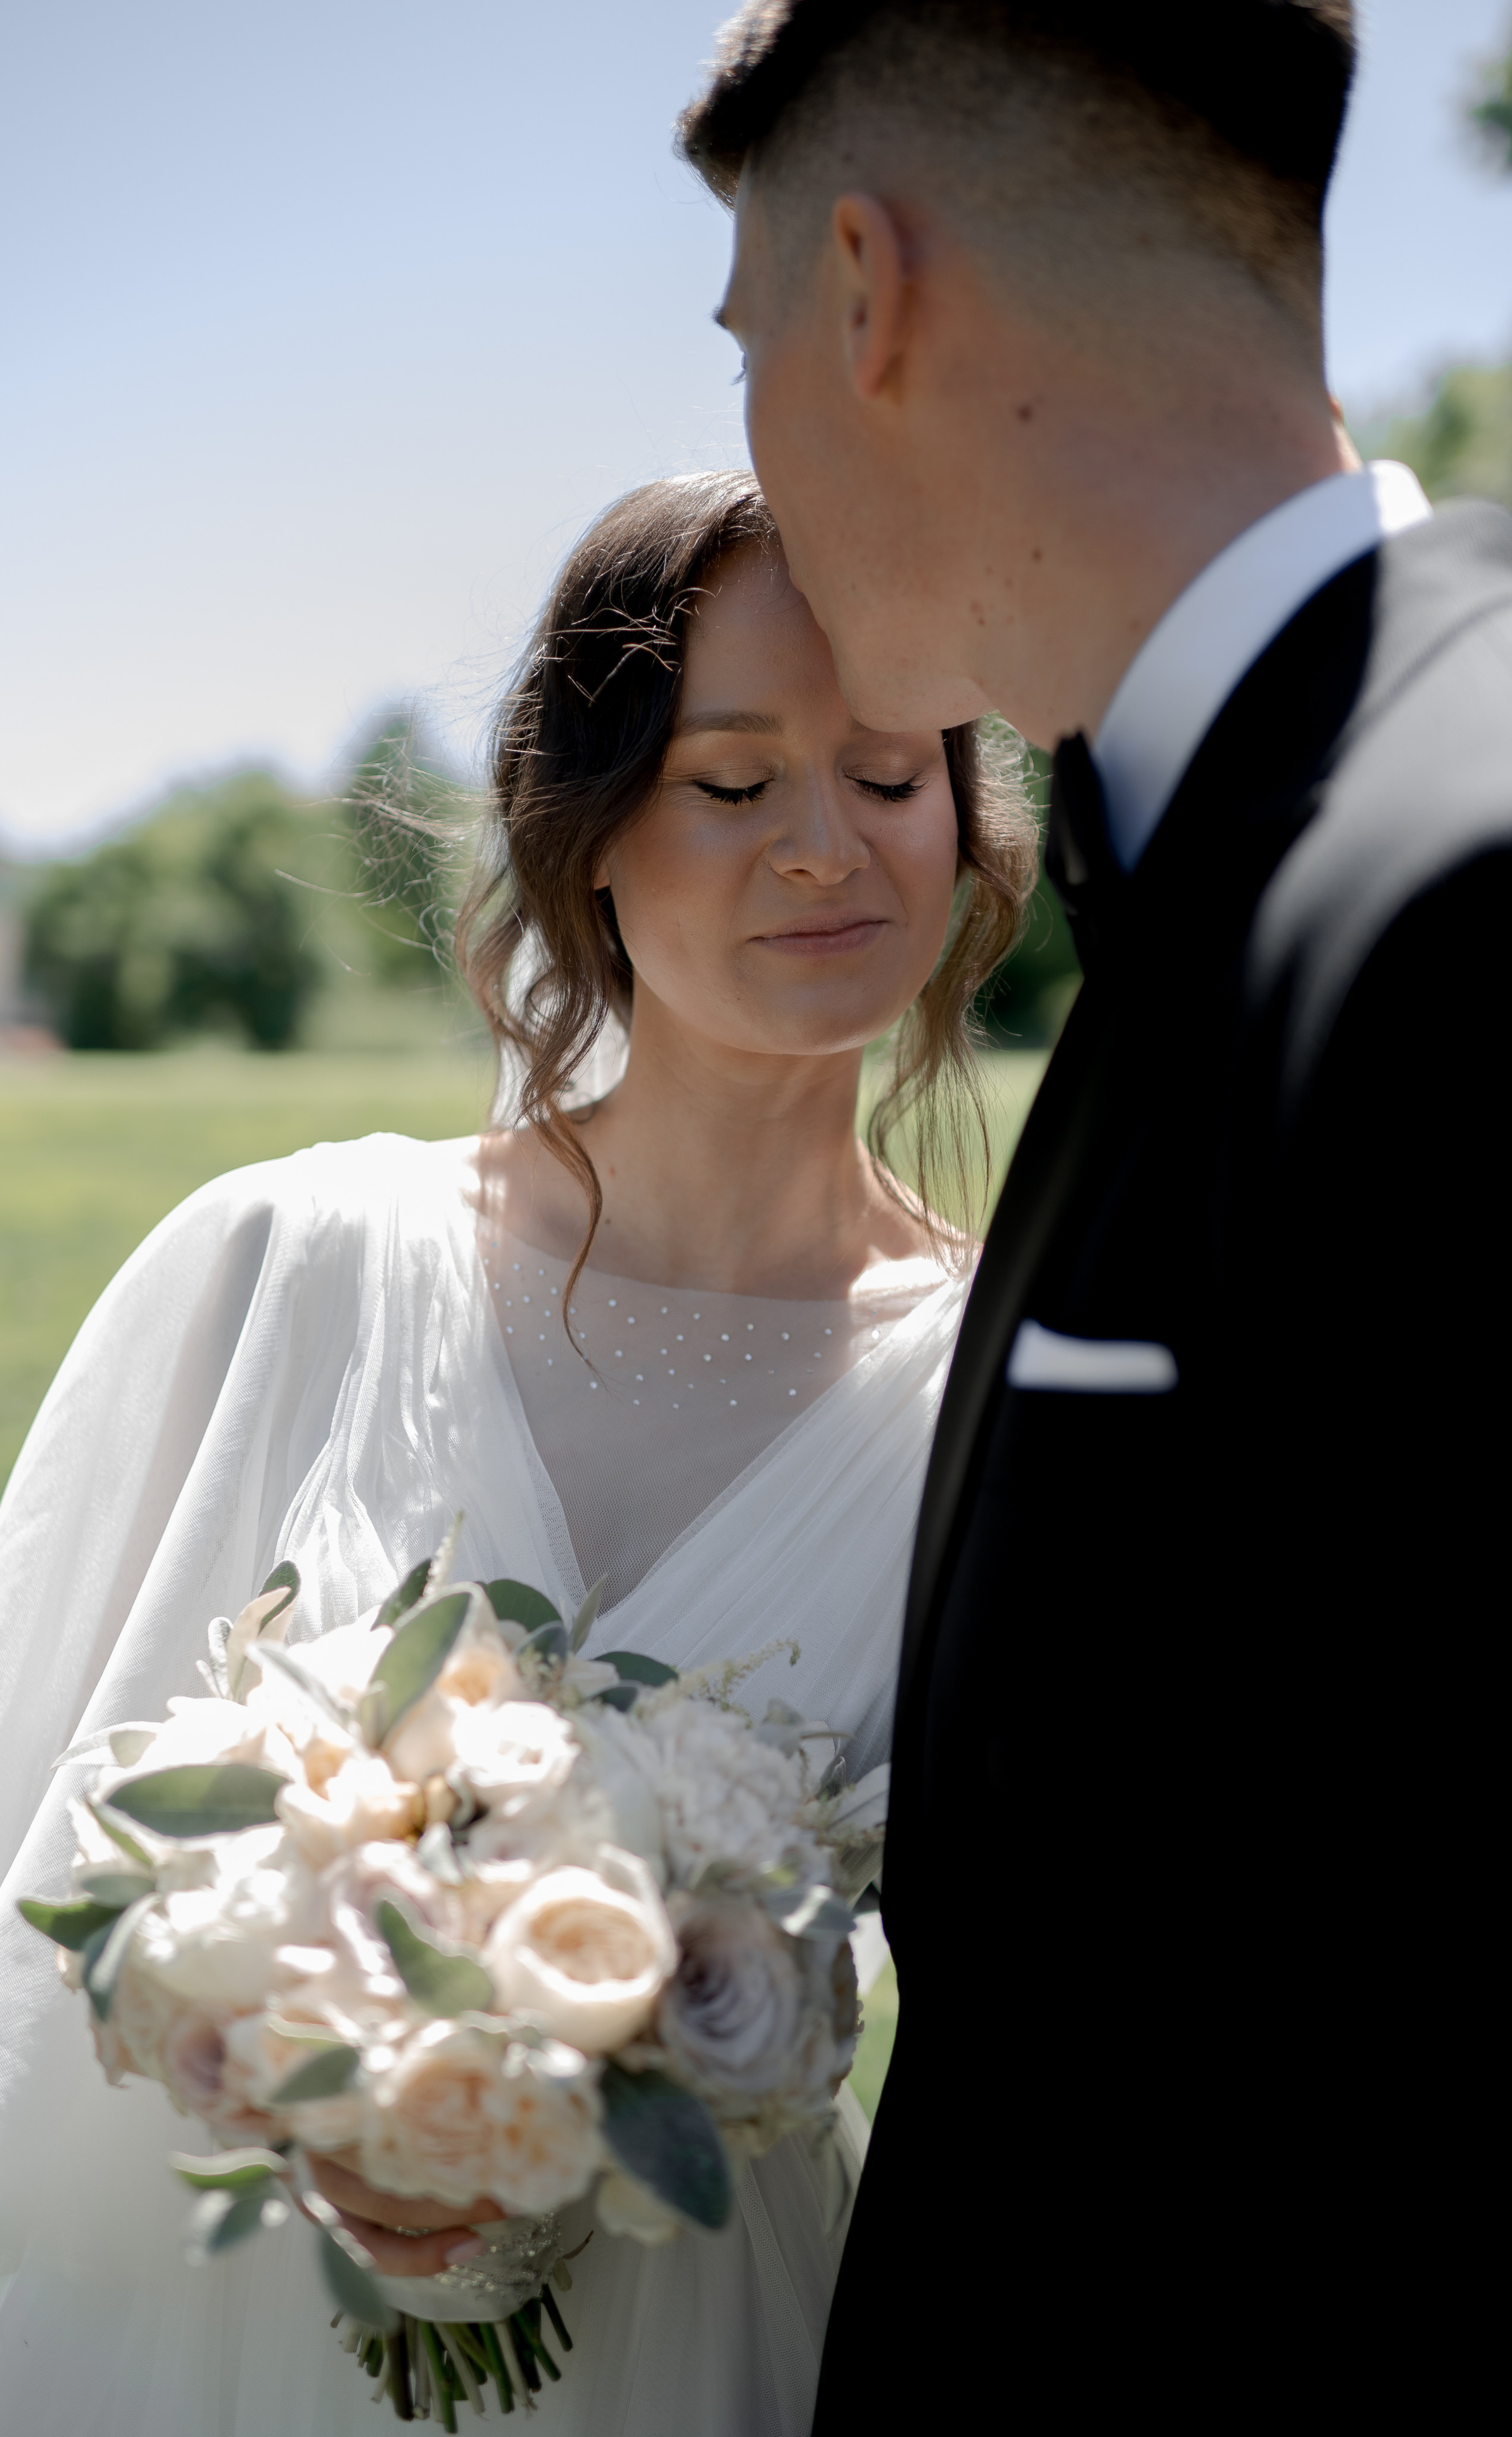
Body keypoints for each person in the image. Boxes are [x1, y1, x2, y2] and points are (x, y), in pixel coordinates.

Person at [0, 469, 1034, 2436]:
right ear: (584, 836)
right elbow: (12, 1862)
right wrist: (305, 2048)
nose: (828, 851)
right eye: (734, 784)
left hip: (712, 2347)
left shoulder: (987, 1393)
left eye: (887, 775)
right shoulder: (295, 1259)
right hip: (222, 2337)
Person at [678, 1, 1511, 2419]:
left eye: (747, 341)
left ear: (868, 296)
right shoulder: (1241, 842)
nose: (754, 424)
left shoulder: (1455, 889)